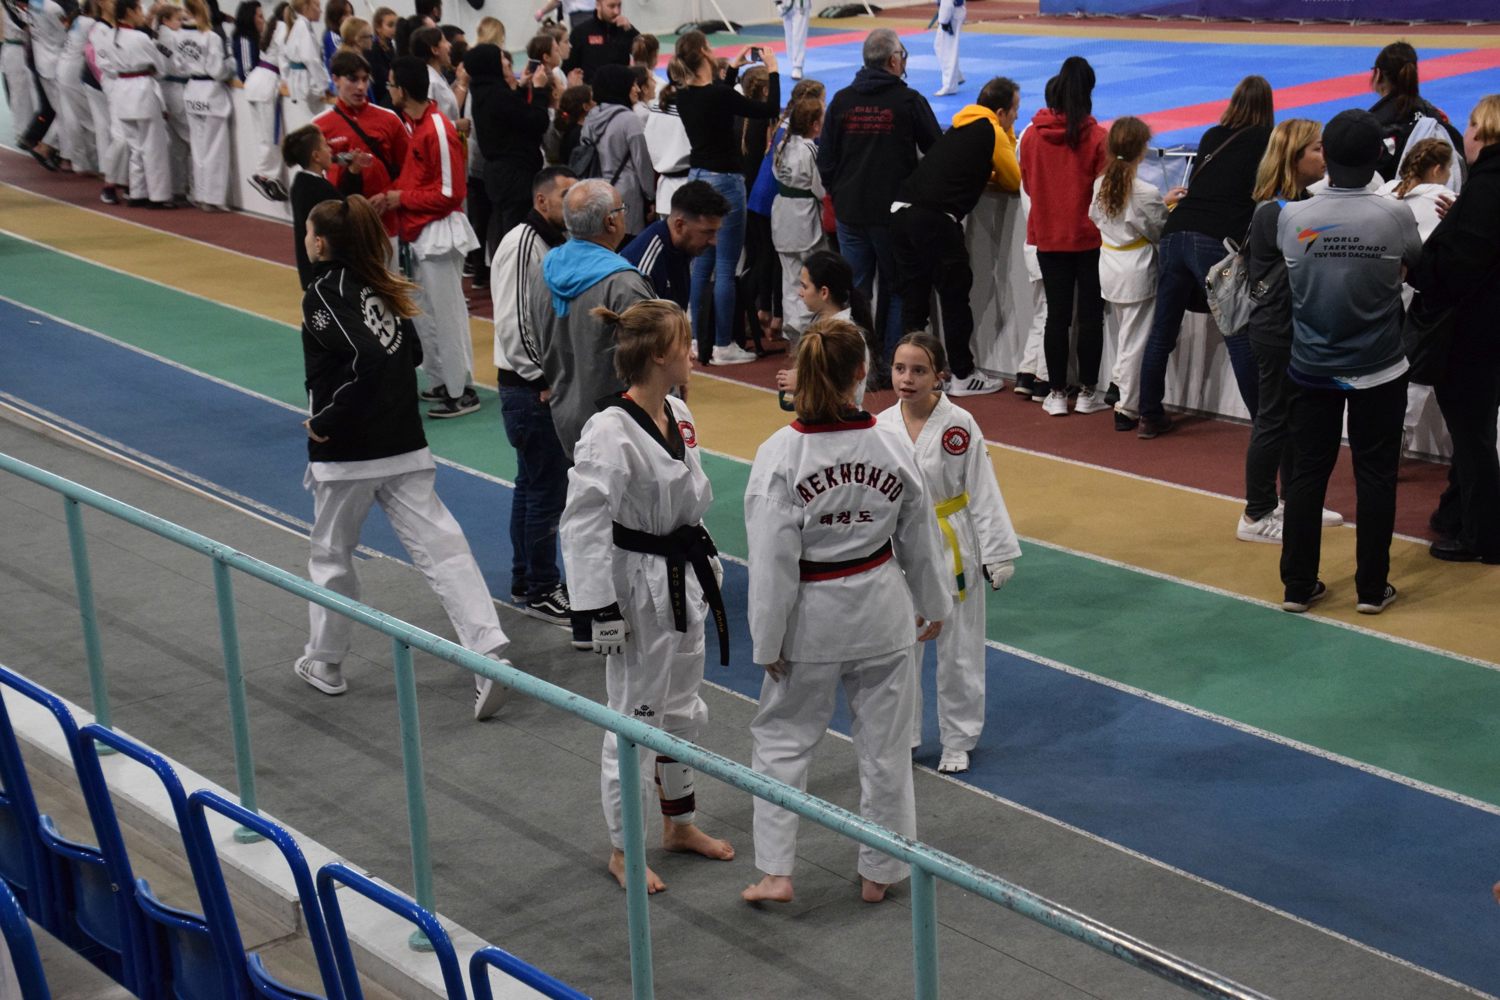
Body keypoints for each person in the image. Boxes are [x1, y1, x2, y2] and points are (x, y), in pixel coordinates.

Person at [741, 318, 951, 905]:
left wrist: (767, 640)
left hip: (812, 618)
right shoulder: (891, 443)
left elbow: (772, 563)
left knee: (782, 741)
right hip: (883, 610)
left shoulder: (781, 454)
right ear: (862, 372)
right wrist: (934, 603)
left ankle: (777, 872)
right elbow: (920, 534)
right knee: (886, 750)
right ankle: (881, 872)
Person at [296, 195, 512, 720]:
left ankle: (325, 662)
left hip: (348, 452)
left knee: (331, 556)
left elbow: (369, 359)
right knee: (444, 548)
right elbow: (409, 352)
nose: (304, 239)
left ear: (320, 243)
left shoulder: (323, 293)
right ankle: (487, 651)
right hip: (404, 443)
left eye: (307, 232)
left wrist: (328, 419)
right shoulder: (381, 284)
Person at [560, 298, 735, 894]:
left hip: (684, 577)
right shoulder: (609, 431)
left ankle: (678, 824)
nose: (693, 352)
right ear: (659, 354)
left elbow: (689, 500)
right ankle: (623, 848)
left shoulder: (678, 412)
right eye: (685, 342)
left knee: (681, 711)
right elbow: (583, 521)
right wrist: (597, 611)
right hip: (636, 590)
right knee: (633, 721)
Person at [1277, 109, 1421, 615]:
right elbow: (1417, 265)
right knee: (1376, 475)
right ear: (1378, 156)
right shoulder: (1394, 215)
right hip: (1378, 367)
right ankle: (1371, 589)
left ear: (1327, 158)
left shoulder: (1292, 217)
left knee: (1306, 474)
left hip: (1312, 365)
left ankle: (1297, 586)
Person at [877, 333, 1017, 774]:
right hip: (899, 543)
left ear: (939, 376)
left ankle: (958, 739)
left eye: (919, 370)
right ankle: (904, 736)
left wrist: (997, 552)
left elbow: (983, 488)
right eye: (900, 369)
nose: (907, 378)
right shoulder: (880, 425)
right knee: (901, 646)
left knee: (959, 647)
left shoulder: (959, 424)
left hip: (952, 539)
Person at [1135, 75, 1273, 439]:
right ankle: (1265, 424)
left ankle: (1148, 414)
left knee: (1162, 330)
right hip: (1214, 239)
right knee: (1237, 331)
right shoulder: (1267, 140)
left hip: (1175, 231)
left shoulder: (1213, 135)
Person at [1408, 94, 1500, 566]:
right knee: (1474, 432)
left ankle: (1483, 536)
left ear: (1481, 132)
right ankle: (1456, 514)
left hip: (1473, 333)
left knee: (1471, 435)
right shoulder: (1483, 192)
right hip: (1488, 329)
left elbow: (1457, 270)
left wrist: (1417, 266)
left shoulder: (1486, 188)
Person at [893, 76, 1021, 398]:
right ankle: (963, 374)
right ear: (1001, 112)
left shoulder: (959, 127)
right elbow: (1014, 179)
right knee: (954, 297)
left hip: (901, 212)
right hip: (935, 219)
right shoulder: (991, 129)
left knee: (915, 301)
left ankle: (911, 373)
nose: (1016, 117)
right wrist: (1006, 137)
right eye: (1015, 112)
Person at [819, 29, 941, 365]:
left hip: (850, 211)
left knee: (856, 293)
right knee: (898, 288)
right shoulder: (908, 101)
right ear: (893, 60)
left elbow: (825, 159)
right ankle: (892, 363)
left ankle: (858, 365)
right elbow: (937, 150)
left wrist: (840, 193)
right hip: (892, 215)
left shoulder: (842, 101)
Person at [492, 166, 578, 621]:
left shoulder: (550, 242)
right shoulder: (524, 244)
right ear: (541, 200)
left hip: (530, 388)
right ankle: (543, 586)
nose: (573, 203)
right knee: (546, 492)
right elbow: (514, 322)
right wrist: (544, 379)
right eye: (565, 195)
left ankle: (527, 580)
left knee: (531, 487)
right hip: (530, 392)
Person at [1238, 118, 1327, 546]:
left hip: (1293, 327)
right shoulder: (1275, 212)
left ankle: (1294, 500)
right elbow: (1317, 252)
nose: (1324, 157)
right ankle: (1256, 513)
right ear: (1293, 157)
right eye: (1317, 149)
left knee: (1294, 421)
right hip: (1276, 329)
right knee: (1273, 420)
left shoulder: (1298, 205)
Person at [382, 55, 482, 418]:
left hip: (440, 233)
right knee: (425, 313)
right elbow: (419, 182)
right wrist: (393, 196)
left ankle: (461, 390)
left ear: (404, 89)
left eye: (391, 84)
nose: (388, 89)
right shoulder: (417, 126)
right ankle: (441, 379)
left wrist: (401, 198)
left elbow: (451, 193)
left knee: (448, 314)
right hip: (421, 232)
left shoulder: (436, 129)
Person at [675, 32, 780, 366]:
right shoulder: (719, 95)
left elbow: (715, 98)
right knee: (725, 265)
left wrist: (733, 69)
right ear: (705, 53)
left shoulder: (683, 94)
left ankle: (696, 338)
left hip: (698, 177)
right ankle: (722, 343)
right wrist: (773, 70)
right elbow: (768, 108)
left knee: (702, 263)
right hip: (725, 180)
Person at [530, 178, 656, 457]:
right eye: (622, 209)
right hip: (621, 427)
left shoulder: (543, 269)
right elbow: (651, 363)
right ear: (610, 221)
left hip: (565, 419)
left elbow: (535, 337)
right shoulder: (624, 284)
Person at [1020, 56, 1109, 417]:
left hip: (1048, 237)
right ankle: (1087, 391)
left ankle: (1056, 392)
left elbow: (1028, 184)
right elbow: (1104, 195)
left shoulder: (1031, 136)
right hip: (1089, 240)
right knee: (1090, 316)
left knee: (1056, 316)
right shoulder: (1098, 138)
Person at [1088, 116, 1178, 432]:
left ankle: (1118, 385)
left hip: (1110, 264)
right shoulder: (1143, 190)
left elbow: (1097, 216)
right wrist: (1166, 207)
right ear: (1142, 150)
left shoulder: (1101, 183)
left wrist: (1160, 203)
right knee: (1135, 342)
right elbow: (1160, 228)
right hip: (1136, 269)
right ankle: (1126, 408)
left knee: (1126, 336)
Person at [469, 43, 550, 258]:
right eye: (502, 59)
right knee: (518, 234)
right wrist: (539, 90)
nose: (507, 62)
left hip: (500, 174)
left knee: (505, 228)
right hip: (515, 174)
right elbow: (536, 121)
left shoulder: (484, 92)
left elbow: (512, 118)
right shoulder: (498, 96)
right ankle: (517, 272)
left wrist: (521, 88)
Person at [314, 50, 406, 237]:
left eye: (365, 79)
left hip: (385, 224)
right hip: (342, 226)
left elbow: (411, 168)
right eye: (353, 79)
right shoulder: (318, 127)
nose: (361, 87)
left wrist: (388, 195)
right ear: (335, 79)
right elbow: (314, 181)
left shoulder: (389, 119)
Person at [771, 96, 827, 344]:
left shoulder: (782, 145)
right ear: (815, 125)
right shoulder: (811, 149)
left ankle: (793, 329)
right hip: (804, 218)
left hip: (782, 214)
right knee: (811, 277)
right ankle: (806, 330)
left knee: (790, 278)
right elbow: (820, 189)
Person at [1367, 41, 1465, 183]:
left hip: (1388, 192)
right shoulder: (1434, 115)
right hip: (1437, 190)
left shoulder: (1372, 123)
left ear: (1377, 74)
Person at [622, 180, 728, 308]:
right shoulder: (645, 268)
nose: (714, 241)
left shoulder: (681, 247)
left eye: (716, 232)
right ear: (679, 225)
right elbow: (638, 319)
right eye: (707, 232)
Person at [110, 0, 174, 208]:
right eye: (139, 9)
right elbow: (160, 67)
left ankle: (138, 193)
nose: (141, 13)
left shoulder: (111, 35)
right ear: (130, 12)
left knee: (136, 146)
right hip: (142, 89)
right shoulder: (140, 37)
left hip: (121, 90)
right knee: (154, 146)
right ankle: (158, 196)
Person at [284, 123, 363, 287]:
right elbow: (348, 211)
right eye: (326, 146)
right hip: (325, 272)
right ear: (316, 156)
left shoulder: (302, 183)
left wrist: (352, 173)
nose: (331, 151)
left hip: (314, 270)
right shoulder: (317, 188)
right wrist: (354, 175)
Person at [578, 63, 653, 236]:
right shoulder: (629, 119)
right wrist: (651, 196)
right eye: (632, 85)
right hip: (626, 198)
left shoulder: (591, 117)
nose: (637, 90)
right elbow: (642, 162)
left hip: (596, 193)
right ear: (620, 87)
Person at [177, 0, 235, 212]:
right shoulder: (211, 37)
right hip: (210, 92)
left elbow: (178, 65)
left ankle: (200, 193)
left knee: (198, 146)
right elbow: (218, 70)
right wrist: (231, 65)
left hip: (192, 90)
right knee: (215, 148)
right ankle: (213, 198)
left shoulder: (179, 35)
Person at [243, 1, 289, 201]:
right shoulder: (284, 27)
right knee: (272, 135)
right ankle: (263, 175)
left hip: (256, 80)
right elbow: (284, 59)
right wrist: (287, 81)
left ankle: (266, 175)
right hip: (268, 82)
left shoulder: (272, 25)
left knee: (263, 135)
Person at [562, 0, 636, 84]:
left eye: (619, 6)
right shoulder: (581, 32)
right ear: (598, 5)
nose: (616, 11)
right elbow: (568, 67)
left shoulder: (625, 29)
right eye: (611, 6)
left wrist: (630, 30)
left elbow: (643, 52)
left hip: (621, 88)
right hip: (591, 89)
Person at [281, 0, 327, 132]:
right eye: (317, 6)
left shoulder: (299, 25)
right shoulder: (302, 27)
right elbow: (310, 59)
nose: (320, 10)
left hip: (299, 82)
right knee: (313, 126)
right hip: (306, 83)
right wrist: (324, 85)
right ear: (306, 7)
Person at [932, 0, 964, 98]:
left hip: (951, 13)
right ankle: (956, 76)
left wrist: (944, 20)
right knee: (939, 46)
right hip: (951, 11)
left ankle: (950, 86)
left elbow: (948, 2)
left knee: (947, 50)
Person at [366, 6, 395, 106]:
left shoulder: (391, 45)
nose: (394, 29)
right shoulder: (373, 49)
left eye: (396, 25)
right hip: (382, 97)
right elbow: (380, 79)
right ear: (378, 28)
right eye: (390, 25)